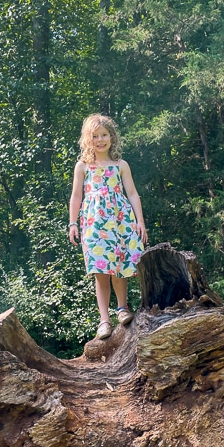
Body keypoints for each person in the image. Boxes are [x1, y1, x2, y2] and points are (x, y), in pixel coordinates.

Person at [69, 114, 147, 340]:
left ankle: (122, 308)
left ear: (112, 137)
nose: (100, 140)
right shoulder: (83, 166)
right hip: (94, 224)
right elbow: (76, 197)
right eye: (95, 136)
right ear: (88, 139)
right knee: (101, 270)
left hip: (120, 222)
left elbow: (132, 193)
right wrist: (73, 223)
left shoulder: (120, 165)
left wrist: (140, 222)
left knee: (120, 267)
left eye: (104, 135)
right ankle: (104, 320)